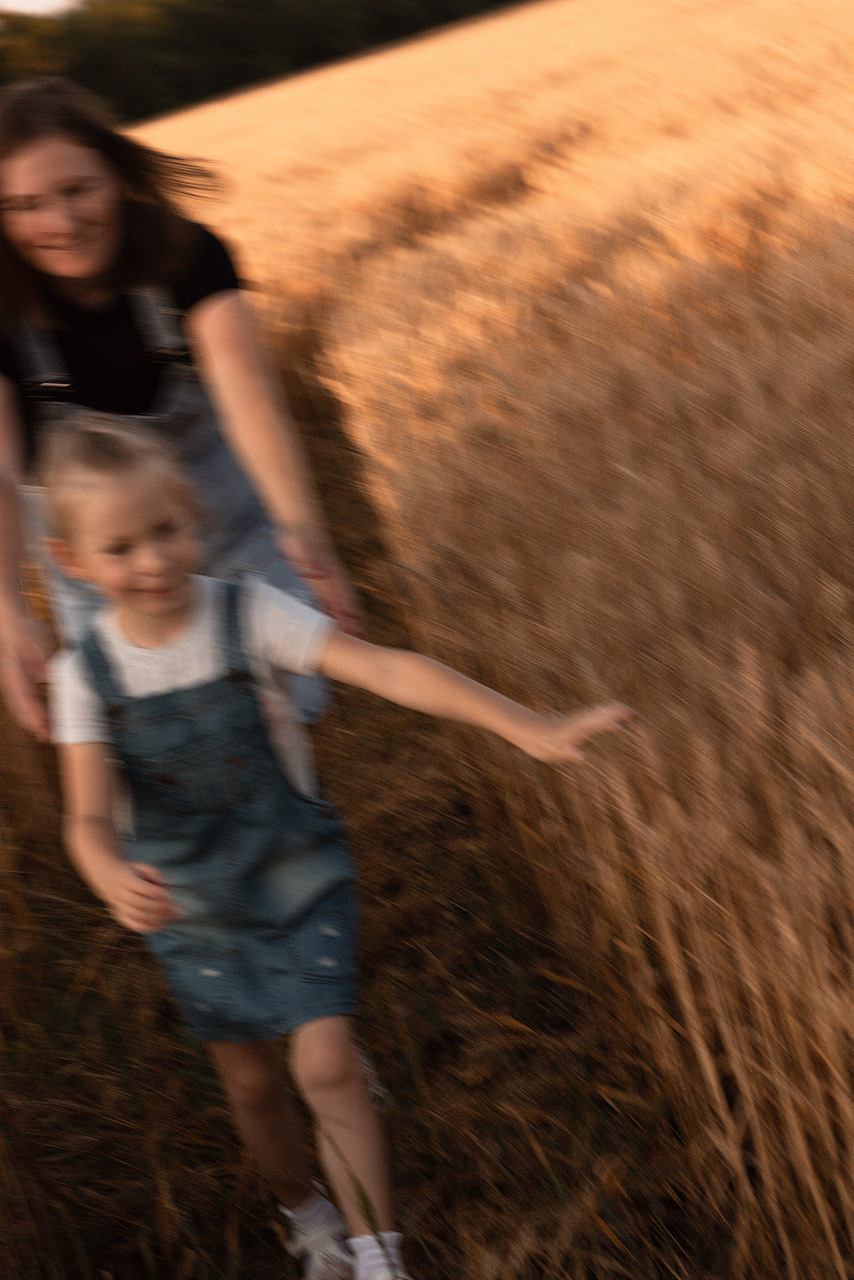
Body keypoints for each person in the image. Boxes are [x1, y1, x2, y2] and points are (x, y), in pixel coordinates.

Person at [40, 418, 632, 1280]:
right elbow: (87, 818)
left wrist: (525, 725)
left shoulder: (246, 614)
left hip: (296, 875)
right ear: (71, 561)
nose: (154, 560)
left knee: (325, 1067)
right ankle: (306, 1213)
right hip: (192, 906)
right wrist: (105, 873)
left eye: (166, 530)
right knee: (253, 1086)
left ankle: (377, 1255)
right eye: (120, 548)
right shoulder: (83, 677)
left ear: (192, 514)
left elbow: (384, 667)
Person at [0, 74, 360, 743]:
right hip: (103, 577)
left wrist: (303, 535)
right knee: (153, 745)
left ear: (117, 173)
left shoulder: (186, 254)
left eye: (78, 190)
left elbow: (249, 395)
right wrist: (9, 613)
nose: (62, 223)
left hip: (233, 539)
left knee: (286, 711)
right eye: (24, 205)